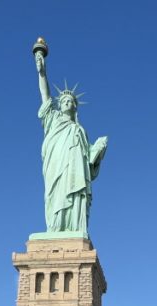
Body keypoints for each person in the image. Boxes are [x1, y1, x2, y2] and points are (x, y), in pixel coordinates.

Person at [34, 42, 107, 234]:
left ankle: (73, 227)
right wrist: (41, 71)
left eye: (70, 101)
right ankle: (56, 228)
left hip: (75, 172)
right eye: (64, 100)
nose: (66, 102)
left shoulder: (79, 130)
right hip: (56, 165)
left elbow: (88, 166)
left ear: (75, 107)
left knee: (75, 193)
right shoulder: (53, 119)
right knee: (56, 194)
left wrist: (98, 150)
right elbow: (45, 94)